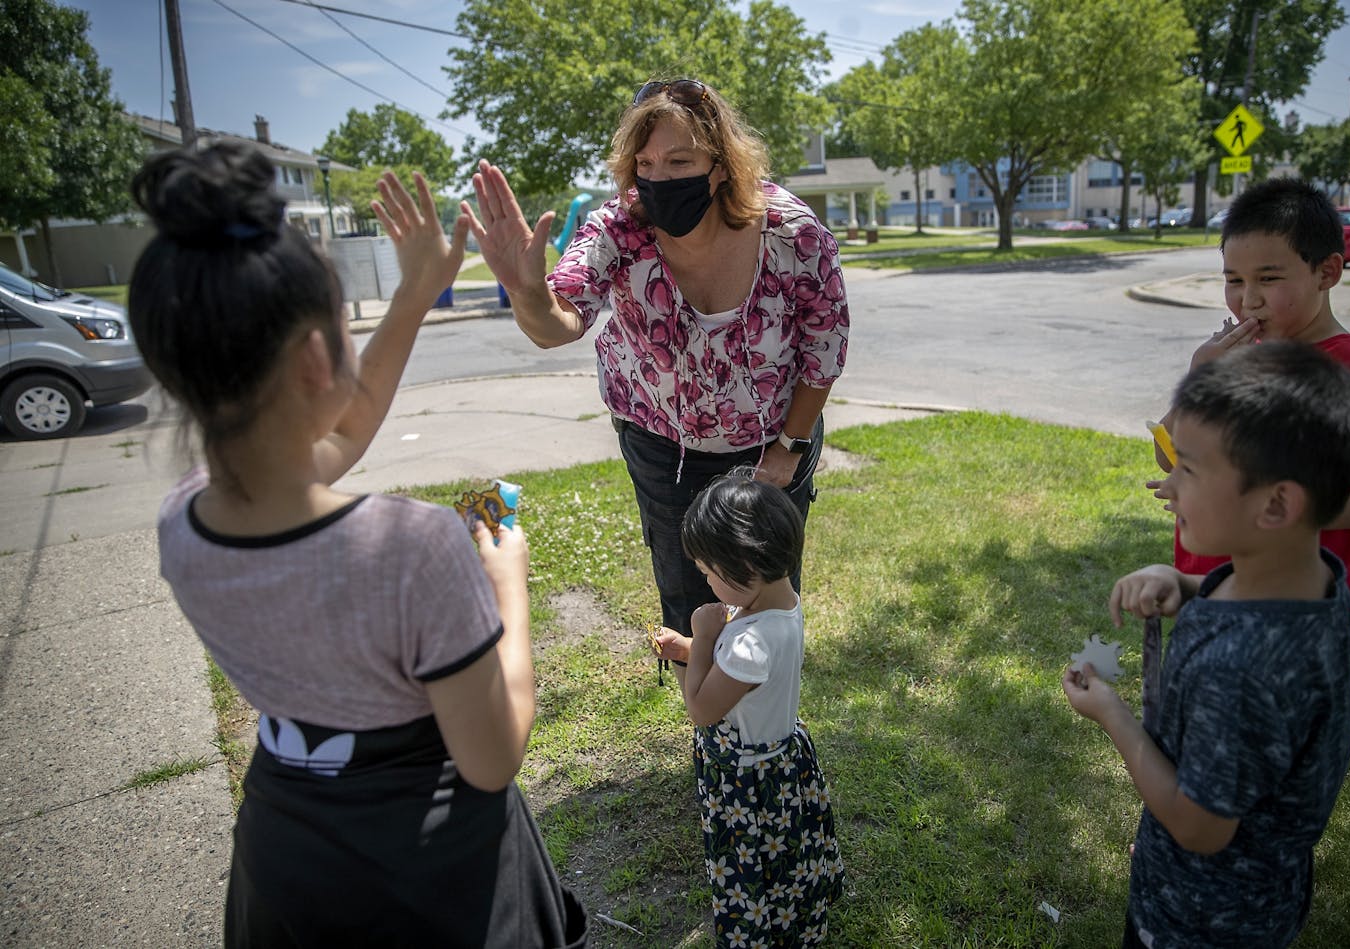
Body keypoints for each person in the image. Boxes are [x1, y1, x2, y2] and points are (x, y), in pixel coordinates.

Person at [127, 142, 586, 947]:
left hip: (289, 852)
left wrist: (411, 293)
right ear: (314, 356)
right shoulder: (414, 549)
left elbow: (339, 427)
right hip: (429, 871)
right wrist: (506, 582)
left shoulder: (182, 522)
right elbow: (492, 756)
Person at [468, 78, 851, 640]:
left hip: (777, 437)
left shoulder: (791, 233)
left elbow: (825, 349)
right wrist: (526, 290)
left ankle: (767, 717)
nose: (659, 178)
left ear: (720, 165)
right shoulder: (617, 230)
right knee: (687, 592)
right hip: (662, 443)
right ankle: (708, 720)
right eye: (645, 163)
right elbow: (560, 324)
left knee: (767, 591)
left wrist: (787, 451)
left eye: (679, 160)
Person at [1066, 342, 1350, 948]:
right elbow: (1237, 598)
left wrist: (1112, 714)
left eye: (1190, 469)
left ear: (1277, 503)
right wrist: (1182, 582)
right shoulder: (1312, 582)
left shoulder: (1243, 672)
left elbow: (1199, 828)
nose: (1171, 485)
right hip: (1263, 897)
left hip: (1202, 920)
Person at [1149, 177, 1350, 626]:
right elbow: (1169, 458)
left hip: (1301, 607)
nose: (1248, 301)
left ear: (1327, 272)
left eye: (1268, 279)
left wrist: (1243, 502)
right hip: (1209, 590)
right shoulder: (1234, 360)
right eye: (1234, 281)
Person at [650, 468, 844, 947]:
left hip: (747, 780)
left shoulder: (747, 644)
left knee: (750, 862)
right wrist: (687, 648)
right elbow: (734, 672)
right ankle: (793, 916)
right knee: (785, 860)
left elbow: (701, 708)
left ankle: (756, 933)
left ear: (746, 565)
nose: (708, 583)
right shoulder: (781, 605)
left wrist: (701, 640)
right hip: (780, 760)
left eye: (710, 573)